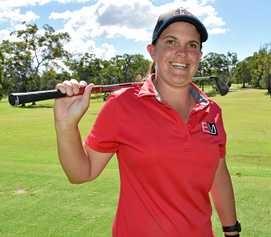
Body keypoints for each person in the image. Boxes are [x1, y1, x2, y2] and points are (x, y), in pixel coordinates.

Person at [54, 7, 241, 237]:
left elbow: (218, 173)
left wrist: (232, 230)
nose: (182, 53)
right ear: (152, 51)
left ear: (199, 56)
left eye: (192, 45)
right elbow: (81, 173)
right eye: (171, 42)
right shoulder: (122, 105)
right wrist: (66, 126)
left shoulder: (211, 111)